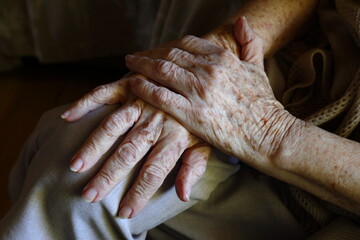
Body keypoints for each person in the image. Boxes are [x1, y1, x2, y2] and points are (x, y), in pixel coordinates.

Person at [1, 0, 360, 239]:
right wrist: (216, 56)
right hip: (289, 78)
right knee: (78, 155)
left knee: (83, 193)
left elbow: (270, 132)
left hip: (331, 183)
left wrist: (271, 132)